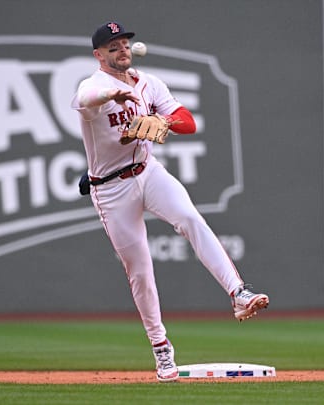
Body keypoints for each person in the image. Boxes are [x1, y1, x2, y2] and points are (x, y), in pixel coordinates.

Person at [71, 21, 269, 382]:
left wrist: (161, 118)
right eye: (112, 46)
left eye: (124, 43)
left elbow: (187, 122)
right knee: (140, 270)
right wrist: (110, 97)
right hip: (111, 189)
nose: (122, 49)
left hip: (148, 171)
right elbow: (84, 101)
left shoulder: (149, 83)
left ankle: (238, 293)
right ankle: (161, 349)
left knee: (191, 218)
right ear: (98, 55)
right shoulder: (95, 85)